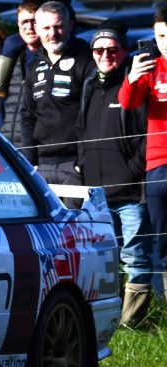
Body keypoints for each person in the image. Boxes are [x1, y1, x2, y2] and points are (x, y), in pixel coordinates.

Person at [78, 21, 152, 327]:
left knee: (135, 256)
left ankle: (133, 322)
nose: (105, 55)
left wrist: (133, 170)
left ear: (124, 51)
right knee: (102, 257)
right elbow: (81, 130)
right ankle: (106, 319)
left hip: (131, 191)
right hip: (97, 191)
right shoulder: (89, 85)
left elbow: (150, 134)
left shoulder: (135, 83)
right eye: (98, 49)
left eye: (112, 49)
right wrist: (82, 163)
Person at [119, 6, 167, 297]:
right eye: (161, 36)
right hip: (157, 166)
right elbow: (128, 102)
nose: (166, 42)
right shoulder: (152, 68)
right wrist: (133, 77)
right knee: (162, 242)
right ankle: (163, 311)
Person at [19, 1, 93, 185]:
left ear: (69, 25)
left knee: (76, 215)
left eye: (58, 27)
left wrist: (82, 162)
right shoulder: (34, 65)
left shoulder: (85, 59)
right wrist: (30, 161)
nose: (52, 34)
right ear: (37, 28)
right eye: (46, 28)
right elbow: (27, 116)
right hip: (41, 165)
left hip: (73, 164)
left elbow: (93, 115)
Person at [0, 1, 42, 148]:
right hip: (6, 146)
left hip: (35, 149)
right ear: (17, 24)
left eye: (34, 21)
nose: (29, 28)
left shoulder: (52, 61)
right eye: (24, 22)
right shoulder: (12, 56)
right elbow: (3, 108)